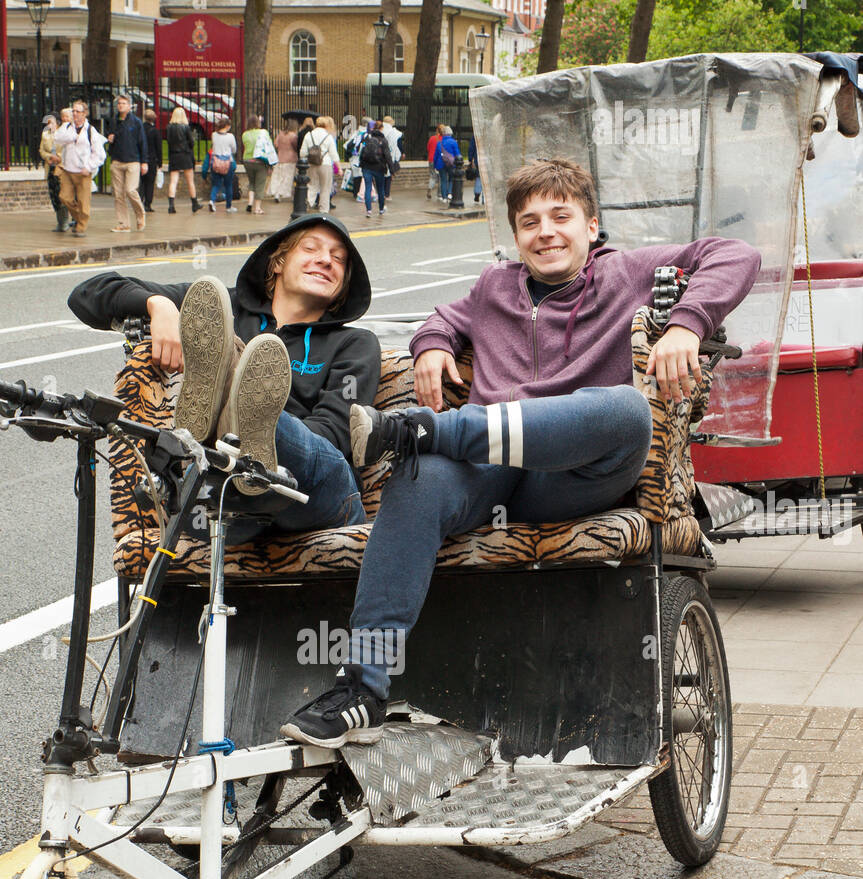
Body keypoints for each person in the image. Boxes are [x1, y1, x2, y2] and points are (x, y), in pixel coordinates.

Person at [279, 157, 762, 748]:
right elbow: (442, 318)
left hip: (569, 477)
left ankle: (428, 429)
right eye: (530, 222)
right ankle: (362, 688)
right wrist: (433, 344)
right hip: (488, 474)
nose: (546, 232)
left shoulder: (627, 272)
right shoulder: (495, 288)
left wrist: (687, 323)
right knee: (416, 477)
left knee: (625, 411)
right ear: (516, 237)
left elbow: (736, 253)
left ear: (592, 226)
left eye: (562, 216)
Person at [68, 214, 380, 546]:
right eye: (311, 248)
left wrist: (264, 418)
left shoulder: (356, 343)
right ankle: (229, 419)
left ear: (343, 285)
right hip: (224, 494)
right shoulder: (216, 310)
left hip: (315, 496)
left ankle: (237, 403)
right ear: (277, 262)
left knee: (305, 447)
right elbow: (85, 295)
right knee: (217, 472)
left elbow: (335, 437)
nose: (325, 260)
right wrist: (157, 305)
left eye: (338, 259)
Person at [53, 99, 106, 238]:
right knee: (64, 197)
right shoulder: (66, 127)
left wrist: (89, 167)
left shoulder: (91, 131)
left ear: (84, 114)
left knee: (84, 201)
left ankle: (81, 227)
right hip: (67, 169)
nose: (74, 114)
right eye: (73, 111)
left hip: (83, 172)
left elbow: (100, 154)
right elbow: (57, 139)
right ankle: (79, 217)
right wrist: (71, 135)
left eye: (77, 111)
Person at [107, 93, 148, 232]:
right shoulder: (114, 121)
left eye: (123, 103)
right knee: (119, 194)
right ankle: (124, 224)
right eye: (119, 103)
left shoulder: (136, 122)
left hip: (133, 161)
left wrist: (144, 162)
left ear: (130, 106)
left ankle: (140, 215)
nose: (120, 106)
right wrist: (110, 140)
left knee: (130, 190)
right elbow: (110, 139)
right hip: (117, 160)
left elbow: (142, 142)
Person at [300, 115, 338, 215]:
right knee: (325, 188)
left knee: (311, 185)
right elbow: (334, 154)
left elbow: (302, 153)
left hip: (311, 164)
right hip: (325, 164)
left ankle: (308, 202)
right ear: (326, 125)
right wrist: (339, 167)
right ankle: (323, 210)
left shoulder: (308, 135)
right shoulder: (328, 136)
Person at [39, 111, 70, 232]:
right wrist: (48, 157)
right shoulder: (45, 135)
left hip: (61, 167)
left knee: (63, 195)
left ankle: (66, 221)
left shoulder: (63, 134)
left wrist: (58, 157)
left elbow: (68, 149)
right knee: (54, 196)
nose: (49, 125)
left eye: (51, 122)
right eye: (48, 123)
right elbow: (41, 150)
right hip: (50, 167)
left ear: (57, 123)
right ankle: (60, 222)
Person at [166, 107, 201, 214]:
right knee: (190, 181)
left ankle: (171, 205)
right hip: (185, 155)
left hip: (174, 155)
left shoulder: (169, 127)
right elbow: (191, 142)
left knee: (173, 181)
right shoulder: (185, 127)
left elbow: (168, 141)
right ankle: (194, 203)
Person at [358, 120, 393, 219]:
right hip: (379, 167)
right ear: (381, 128)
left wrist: (361, 164)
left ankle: (369, 210)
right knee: (380, 189)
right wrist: (391, 169)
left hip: (366, 167)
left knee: (368, 188)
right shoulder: (383, 140)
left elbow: (362, 152)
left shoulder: (367, 138)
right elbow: (388, 156)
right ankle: (381, 209)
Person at [241, 113, 272, 215]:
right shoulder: (263, 132)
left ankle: (250, 203)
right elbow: (268, 145)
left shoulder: (245, 134)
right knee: (260, 184)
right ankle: (257, 208)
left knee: (252, 182)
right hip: (260, 161)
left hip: (247, 160)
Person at [207, 117, 237, 213]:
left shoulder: (214, 135)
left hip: (215, 162)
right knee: (228, 185)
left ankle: (212, 200)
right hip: (228, 163)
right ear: (227, 126)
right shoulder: (230, 136)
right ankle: (228, 207)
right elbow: (234, 149)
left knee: (216, 184)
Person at [270, 118, 298, 201]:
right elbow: (296, 147)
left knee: (278, 178)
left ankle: (277, 194)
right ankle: (286, 194)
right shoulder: (293, 136)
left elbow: (275, 144)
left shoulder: (280, 134)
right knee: (288, 178)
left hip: (280, 158)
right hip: (290, 159)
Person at [139, 109, 161, 213]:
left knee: (142, 181)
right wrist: (160, 162)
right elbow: (159, 148)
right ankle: (148, 203)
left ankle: (139, 200)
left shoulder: (140, 129)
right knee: (150, 182)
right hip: (152, 159)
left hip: (141, 158)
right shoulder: (155, 131)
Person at [434, 124, 460, 202]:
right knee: (451, 178)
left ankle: (444, 197)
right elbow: (457, 154)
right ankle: (449, 193)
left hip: (441, 164)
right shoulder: (453, 142)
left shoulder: (439, 143)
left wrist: (435, 165)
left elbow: (436, 155)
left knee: (443, 180)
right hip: (451, 164)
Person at [381, 115, 402, 201]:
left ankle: (381, 193)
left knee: (381, 176)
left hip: (380, 156)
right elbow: (399, 145)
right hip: (391, 156)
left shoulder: (380, 130)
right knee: (389, 176)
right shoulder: (395, 133)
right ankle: (387, 194)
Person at [425, 124, 443, 200]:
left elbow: (428, 148)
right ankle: (439, 193)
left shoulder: (432, 138)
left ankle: (430, 188)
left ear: (437, 130)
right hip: (440, 160)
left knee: (433, 176)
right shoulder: (443, 139)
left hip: (431, 159)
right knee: (441, 177)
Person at [468, 133, 483, 205]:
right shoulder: (489, 133)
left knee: (479, 177)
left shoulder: (476, 135)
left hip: (478, 159)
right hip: (488, 159)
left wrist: (470, 159)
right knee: (486, 179)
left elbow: (471, 147)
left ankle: (477, 192)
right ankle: (484, 199)